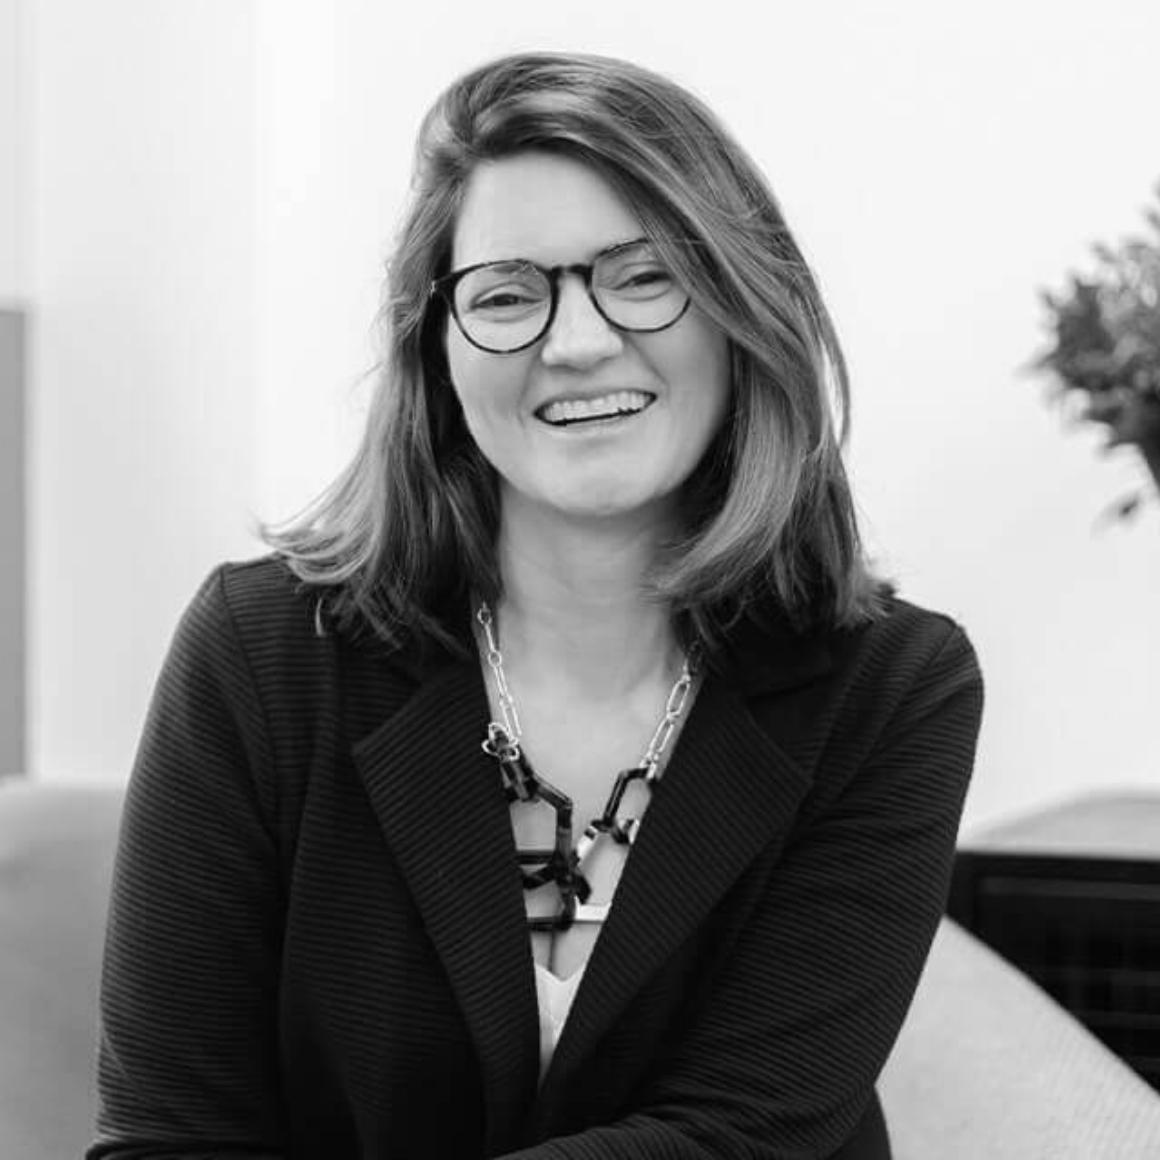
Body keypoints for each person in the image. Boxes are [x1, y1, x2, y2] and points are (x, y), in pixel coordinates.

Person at [87, 50, 984, 1160]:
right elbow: (173, 1133)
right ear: (437, 351)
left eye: (642, 275)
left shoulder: (891, 688)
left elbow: (743, 1136)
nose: (575, 341)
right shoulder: (262, 652)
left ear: (746, 308)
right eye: (507, 294)